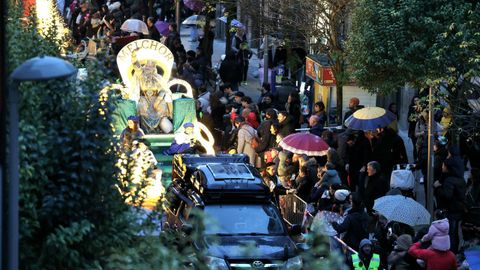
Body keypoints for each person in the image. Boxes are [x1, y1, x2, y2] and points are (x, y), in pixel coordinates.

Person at [434, 159, 467, 254]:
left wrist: (438, 187)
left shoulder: (449, 180)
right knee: (455, 232)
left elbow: (447, 195)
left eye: (443, 166)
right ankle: (454, 250)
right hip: (458, 208)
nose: (442, 167)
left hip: (452, 209)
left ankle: (451, 252)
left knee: (451, 233)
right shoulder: (460, 178)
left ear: (448, 168)